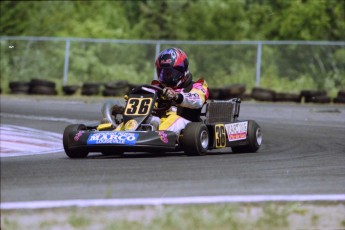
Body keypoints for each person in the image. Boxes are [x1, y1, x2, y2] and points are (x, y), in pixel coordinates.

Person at [148, 47, 210, 135]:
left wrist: (177, 96)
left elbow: (198, 100)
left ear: (183, 71)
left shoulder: (197, 86)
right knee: (153, 119)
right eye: (163, 73)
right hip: (160, 120)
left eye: (170, 73)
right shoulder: (157, 87)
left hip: (187, 125)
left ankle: (156, 135)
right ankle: (132, 131)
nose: (167, 77)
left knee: (175, 120)